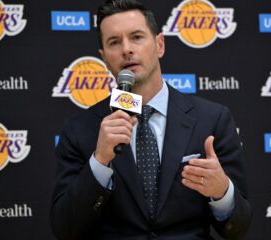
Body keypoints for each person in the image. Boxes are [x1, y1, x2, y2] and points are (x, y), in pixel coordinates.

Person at [50, 0, 251, 239]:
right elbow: (64, 228)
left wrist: (222, 193)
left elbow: (239, 229)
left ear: (159, 44)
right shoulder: (79, 130)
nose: (126, 49)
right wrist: (100, 161)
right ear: (104, 58)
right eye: (114, 42)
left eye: (136, 37)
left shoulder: (212, 119)